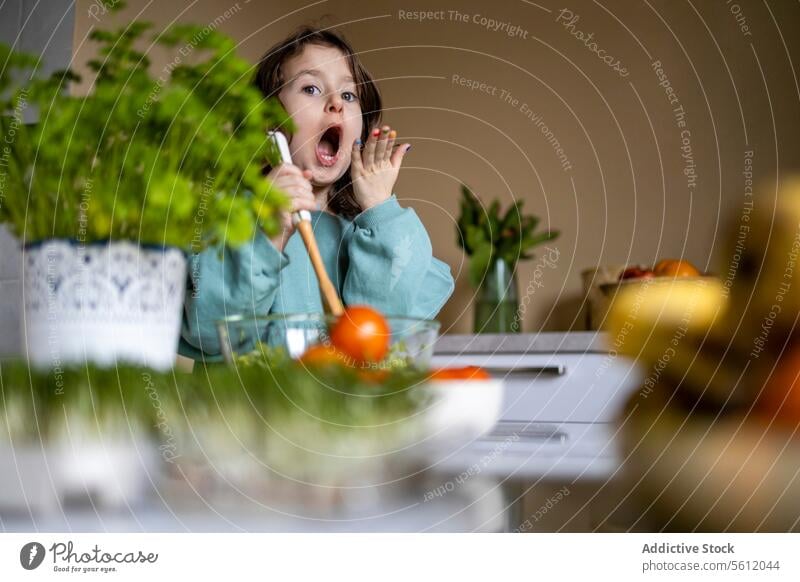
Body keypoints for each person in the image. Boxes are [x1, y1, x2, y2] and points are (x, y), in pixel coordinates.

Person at [179, 27, 454, 360]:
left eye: (349, 95)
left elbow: (379, 341)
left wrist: (380, 209)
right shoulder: (234, 220)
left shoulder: (370, 234)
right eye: (311, 88)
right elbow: (212, 331)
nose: (336, 103)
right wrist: (269, 234)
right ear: (267, 124)